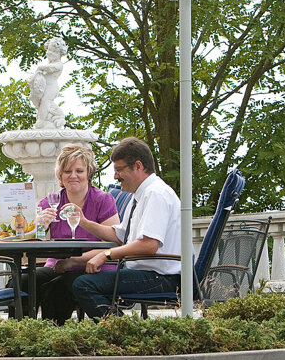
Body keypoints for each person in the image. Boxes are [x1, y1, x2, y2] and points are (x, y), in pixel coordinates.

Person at [71, 137, 181, 320]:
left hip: (162, 278)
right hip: (147, 273)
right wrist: (84, 222)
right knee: (78, 280)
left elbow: (149, 245)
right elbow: (119, 235)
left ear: (138, 166)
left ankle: (122, 333)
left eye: (119, 170)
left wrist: (105, 255)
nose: (115, 177)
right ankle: (121, 330)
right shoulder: (140, 194)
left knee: (84, 285)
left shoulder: (156, 194)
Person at [9, 145, 119, 323]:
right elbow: (33, 240)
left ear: (88, 173)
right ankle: (20, 335)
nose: (73, 175)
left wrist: (73, 261)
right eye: (67, 171)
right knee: (22, 281)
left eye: (79, 170)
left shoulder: (102, 200)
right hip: (57, 265)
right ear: (60, 175)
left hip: (92, 266)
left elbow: (115, 242)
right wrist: (40, 226)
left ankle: (55, 337)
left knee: (57, 288)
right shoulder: (51, 202)